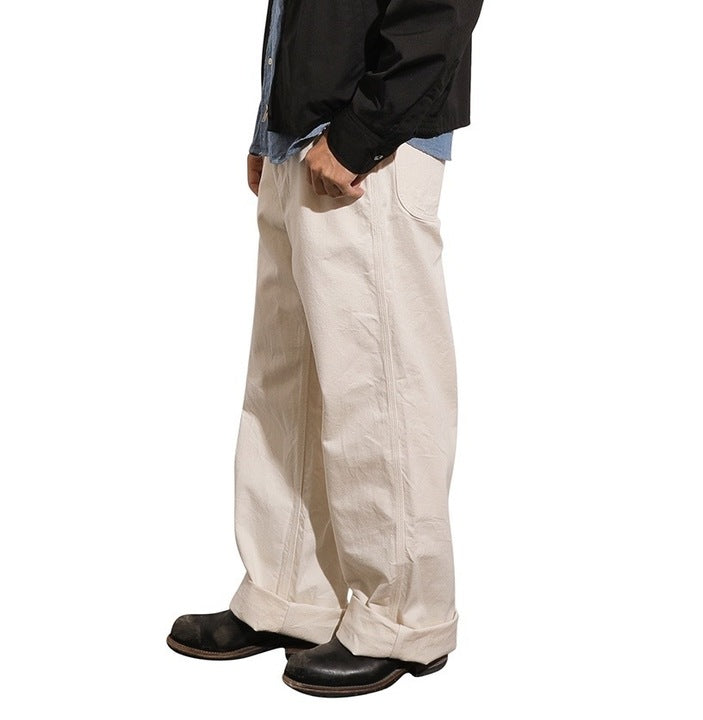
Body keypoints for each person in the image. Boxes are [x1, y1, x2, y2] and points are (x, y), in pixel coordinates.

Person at [167, 0, 485, 698]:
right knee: (286, 383)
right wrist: (270, 126)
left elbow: (439, 8)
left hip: (367, 147)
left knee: (381, 389)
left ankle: (405, 621)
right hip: (304, 135)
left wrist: (362, 133)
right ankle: (289, 597)